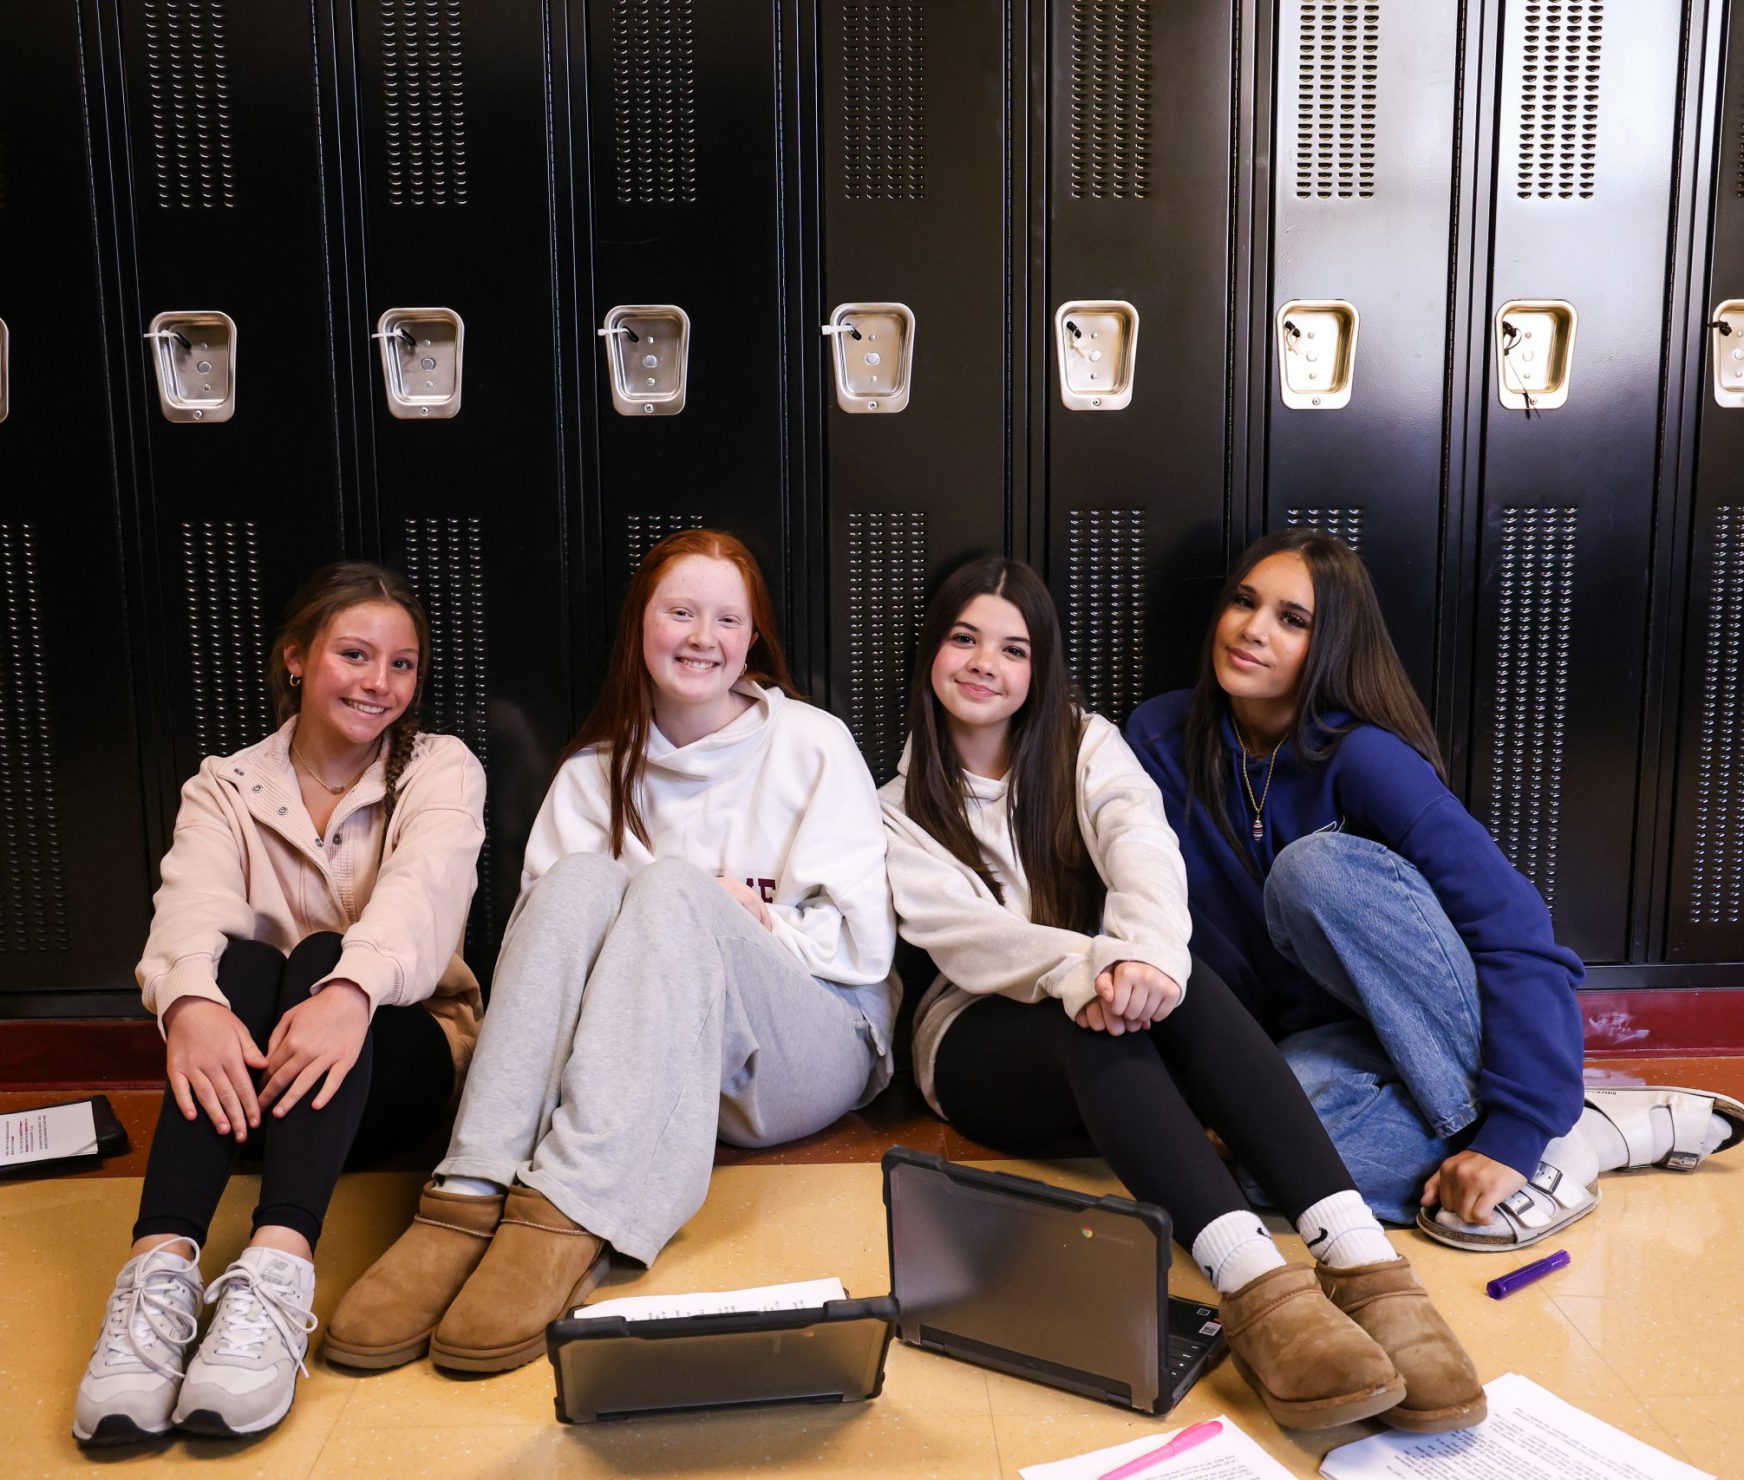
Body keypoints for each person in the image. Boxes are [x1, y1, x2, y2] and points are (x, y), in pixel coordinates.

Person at [881, 554, 1482, 1434]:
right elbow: (974, 941)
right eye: (963, 639)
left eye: (1013, 649)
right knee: (1095, 1023)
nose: (984, 664)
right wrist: (1094, 970)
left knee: (1177, 978)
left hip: (1117, 1004)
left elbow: (1141, 846)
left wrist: (1147, 959)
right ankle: (1257, 1291)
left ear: (1040, 669)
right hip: (981, 1041)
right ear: (930, 654)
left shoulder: (1086, 744)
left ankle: (1368, 1268)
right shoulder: (894, 805)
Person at [327, 529, 898, 1374]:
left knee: (669, 888)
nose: (703, 637)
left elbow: (862, 947)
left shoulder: (811, 742)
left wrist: (743, 922)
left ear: (752, 638)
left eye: (728, 619)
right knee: (579, 882)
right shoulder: (594, 770)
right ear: (642, 625)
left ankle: (569, 1208)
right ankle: (472, 1189)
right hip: (644, 1079)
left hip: (805, 1046)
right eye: (680, 612)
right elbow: (543, 982)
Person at [1125, 528, 1744, 1251]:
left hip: (1440, 1020)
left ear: (1330, 647)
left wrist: (1512, 1132)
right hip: (1333, 1046)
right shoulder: (1161, 738)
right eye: (1244, 602)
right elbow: (1148, 909)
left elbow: (1513, 929)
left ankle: (1528, 1140)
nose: (1252, 630)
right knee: (1253, 1168)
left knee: (1310, 871)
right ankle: (1572, 1136)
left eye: (1292, 620)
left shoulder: (1366, 759)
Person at [75, 563, 486, 1444]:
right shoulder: (223, 786)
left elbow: (422, 899)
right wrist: (189, 1004)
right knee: (235, 968)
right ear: (295, 658)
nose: (380, 684)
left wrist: (346, 989)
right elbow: (186, 910)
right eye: (354, 654)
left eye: (403, 665)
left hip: (396, 1077)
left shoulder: (439, 767)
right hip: (251, 1095)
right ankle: (158, 1274)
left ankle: (277, 1268)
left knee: (324, 955)